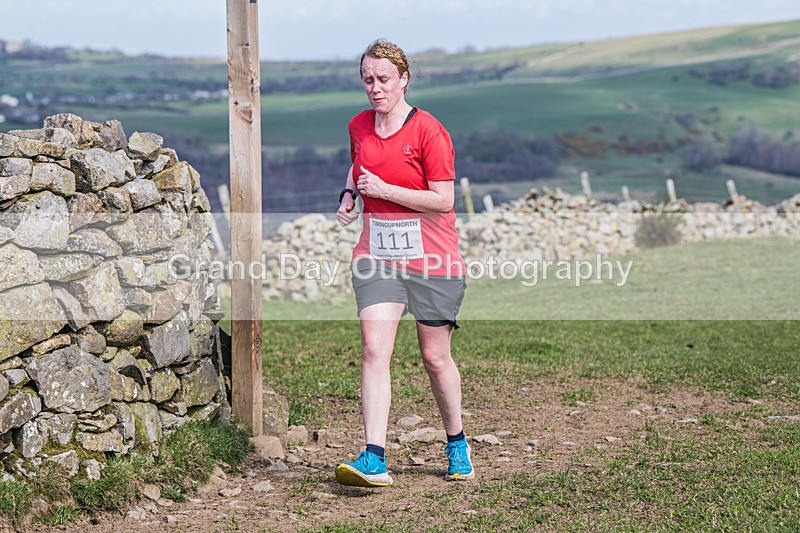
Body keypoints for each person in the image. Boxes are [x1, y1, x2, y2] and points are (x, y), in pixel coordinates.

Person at [334, 39, 474, 488]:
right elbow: (358, 169)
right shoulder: (359, 125)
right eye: (368, 80)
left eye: (383, 80)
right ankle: (374, 455)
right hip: (377, 257)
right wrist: (351, 195)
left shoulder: (429, 131)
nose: (375, 88)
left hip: (432, 259)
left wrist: (386, 190)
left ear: (404, 79)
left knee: (435, 357)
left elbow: (444, 199)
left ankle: (456, 441)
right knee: (375, 350)